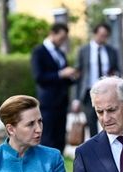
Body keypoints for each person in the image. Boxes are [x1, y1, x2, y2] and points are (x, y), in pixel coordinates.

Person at [30, 23, 78, 153]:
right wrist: (61, 73)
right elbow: (39, 77)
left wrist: (73, 76)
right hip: (48, 102)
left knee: (60, 138)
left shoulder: (61, 53)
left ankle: (58, 166)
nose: (62, 41)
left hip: (62, 101)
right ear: (52, 33)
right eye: (61, 38)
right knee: (48, 137)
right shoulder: (39, 51)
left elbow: (64, 79)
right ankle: (46, 167)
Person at [73, 23, 120, 137]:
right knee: (91, 121)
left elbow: (117, 70)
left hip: (107, 91)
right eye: (101, 35)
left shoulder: (111, 51)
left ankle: (109, 143)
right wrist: (76, 99)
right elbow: (77, 75)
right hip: (89, 91)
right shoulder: (83, 50)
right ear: (95, 34)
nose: (103, 38)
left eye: (106, 36)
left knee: (109, 119)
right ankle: (96, 146)